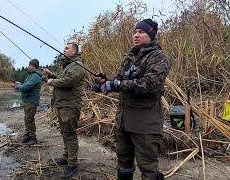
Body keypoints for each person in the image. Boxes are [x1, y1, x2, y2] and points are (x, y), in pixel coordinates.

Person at [94, 19, 171, 180]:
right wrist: (105, 81)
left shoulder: (160, 57)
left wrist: (115, 84)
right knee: (123, 160)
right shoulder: (129, 57)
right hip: (123, 121)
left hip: (145, 123)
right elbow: (120, 80)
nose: (136, 35)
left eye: (141, 32)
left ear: (151, 34)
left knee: (148, 166)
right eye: (135, 32)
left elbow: (149, 84)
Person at [42, 42, 86, 178]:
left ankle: (72, 164)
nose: (64, 50)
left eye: (67, 48)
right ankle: (67, 157)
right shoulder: (69, 65)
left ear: (75, 51)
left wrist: (50, 81)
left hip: (70, 106)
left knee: (70, 135)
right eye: (64, 48)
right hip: (63, 106)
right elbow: (63, 79)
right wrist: (52, 75)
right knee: (65, 133)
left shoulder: (78, 66)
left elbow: (68, 82)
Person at [13, 59, 42, 145]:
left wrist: (17, 86)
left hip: (31, 101)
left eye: (30, 65)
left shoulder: (35, 76)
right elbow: (25, 86)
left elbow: (25, 88)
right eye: (29, 65)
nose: (28, 66)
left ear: (34, 66)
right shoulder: (32, 75)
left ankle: (33, 138)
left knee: (29, 119)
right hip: (28, 101)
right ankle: (27, 136)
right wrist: (20, 84)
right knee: (27, 119)